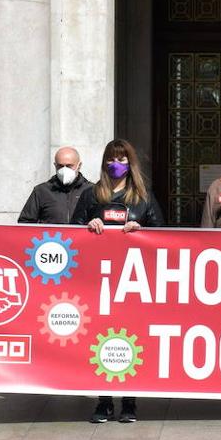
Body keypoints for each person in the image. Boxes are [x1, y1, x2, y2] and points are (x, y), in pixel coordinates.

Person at [72, 139, 162, 424]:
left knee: (131, 340)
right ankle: (104, 401)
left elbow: (163, 235)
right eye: (113, 159)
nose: (117, 164)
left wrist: (141, 230)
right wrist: (88, 227)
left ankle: (130, 401)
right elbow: (71, 233)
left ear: (131, 164)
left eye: (123, 159)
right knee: (101, 340)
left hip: (133, 283)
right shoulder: (91, 195)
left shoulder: (143, 197)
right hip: (98, 283)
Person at [18, 146, 94, 224]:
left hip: (80, 236)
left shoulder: (92, 191)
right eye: (60, 166)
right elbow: (25, 223)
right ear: (55, 165)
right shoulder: (41, 191)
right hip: (52, 236)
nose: (64, 170)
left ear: (79, 166)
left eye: (69, 166)